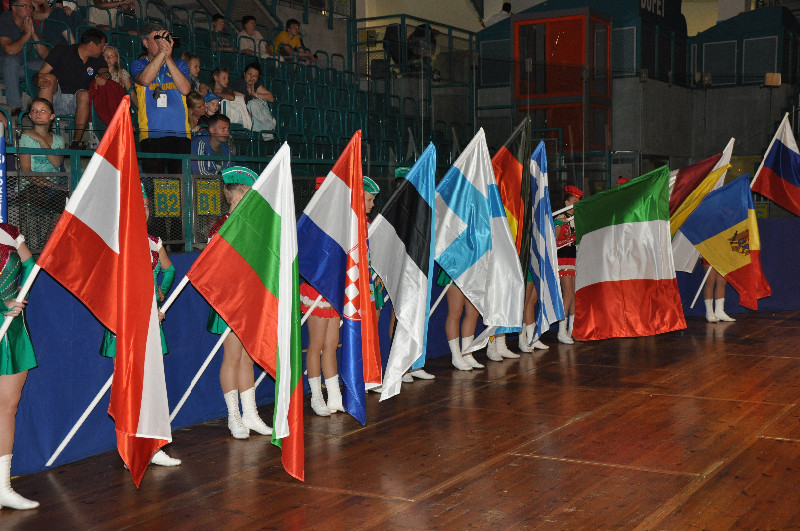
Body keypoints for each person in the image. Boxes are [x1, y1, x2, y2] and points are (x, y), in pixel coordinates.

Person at [98, 185, 180, 467]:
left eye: (146, 206)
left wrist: (159, 297)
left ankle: (153, 447)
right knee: (127, 386)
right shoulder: (115, 244)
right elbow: (108, 288)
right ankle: (129, 448)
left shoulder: (154, 242)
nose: (143, 211)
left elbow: (168, 271)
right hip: (123, 326)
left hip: (150, 326)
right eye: (138, 206)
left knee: (152, 386)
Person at [207, 166, 272, 438]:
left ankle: (251, 414)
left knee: (248, 358)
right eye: (251, 193)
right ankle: (234, 417)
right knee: (232, 358)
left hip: (249, 300)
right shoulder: (222, 226)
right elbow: (214, 268)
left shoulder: (253, 225)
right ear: (240, 193)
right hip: (228, 303)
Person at [0, 224, 39, 510]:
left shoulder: (9, 231)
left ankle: (2, 487)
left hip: (10, 328)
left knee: (7, 407)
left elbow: (30, 265)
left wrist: (19, 297)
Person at [301, 176, 346, 417]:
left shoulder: (340, 225)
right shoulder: (310, 225)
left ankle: (334, 395)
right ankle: (316, 397)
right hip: (316, 291)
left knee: (331, 345)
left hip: (333, 291)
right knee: (316, 346)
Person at [131, 21, 191, 175]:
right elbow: (144, 80)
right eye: (157, 39)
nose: (162, 43)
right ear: (145, 43)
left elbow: (185, 89)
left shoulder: (180, 64)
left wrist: (168, 58)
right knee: (154, 181)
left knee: (180, 182)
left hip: (180, 133)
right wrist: (161, 54)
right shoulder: (138, 64)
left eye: (165, 39)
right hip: (152, 133)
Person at [34, 27, 108, 149]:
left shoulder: (98, 59)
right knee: (47, 78)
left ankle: (76, 142)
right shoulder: (63, 51)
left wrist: (104, 75)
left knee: (84, 94)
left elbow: (105, 71)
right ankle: (42, 133)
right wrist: (39, 80)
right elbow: (39, 75)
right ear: (91, 45)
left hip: (78, 102)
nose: (102, 50)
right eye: (101, 46)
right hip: (57, 97)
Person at [0, 0, 50, 116]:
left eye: (31, 7)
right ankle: (15, 107)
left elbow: (46, 55)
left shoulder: (29, 22)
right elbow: (10, 51)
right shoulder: (4, 20)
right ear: (13, 8)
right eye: (25, 6)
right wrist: (27, 34)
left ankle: (47, 107)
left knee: (48, 64)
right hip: (4, 63)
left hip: (20, 66)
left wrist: (33, 34)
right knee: (12, 60)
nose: (29, 10)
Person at [18, 97, 66, 209]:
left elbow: (56, 163)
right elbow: (26, 171)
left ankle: (54, 228)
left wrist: (42, 140)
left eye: (43, 110)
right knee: (60, 199)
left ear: (52, 116)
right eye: (34, 110)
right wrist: (53, 186)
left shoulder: (59, 140)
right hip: (30, 186)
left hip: (53, 189)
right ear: (29, 115)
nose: (37, 113)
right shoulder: (26, 138)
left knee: (68, 200)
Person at [439, 269, 483, 371]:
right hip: (456, 265)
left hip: (474, 267)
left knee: (473, 313)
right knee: (456, 311)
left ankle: (467, 353)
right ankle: (456, 356)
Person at [555, 184, 582, 344]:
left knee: (574, 296)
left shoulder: (574, 219)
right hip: (562, 260)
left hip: (573, 259)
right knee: (568, 294)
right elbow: (554, 242)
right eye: (574, 201)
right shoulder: (559, 219)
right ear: (566, 202)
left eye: (578, 202)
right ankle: (561, 331)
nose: (576, 205)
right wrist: (569, 240)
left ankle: (572, 329)